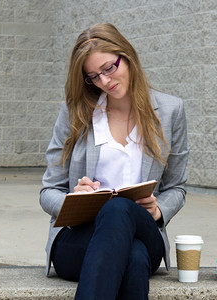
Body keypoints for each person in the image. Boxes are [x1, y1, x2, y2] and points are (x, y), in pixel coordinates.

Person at [40, 23, 189, 299]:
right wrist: (73, 199)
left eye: (109, 68)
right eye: (93, 77)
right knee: (133, 258)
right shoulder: (74, 114)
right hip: (79, 238)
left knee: (119, 209)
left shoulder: (170, 111)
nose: (105, 82)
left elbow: (177, 188)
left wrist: (158, 211)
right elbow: (48, 192)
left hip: (143, 228)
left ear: (127, 56)